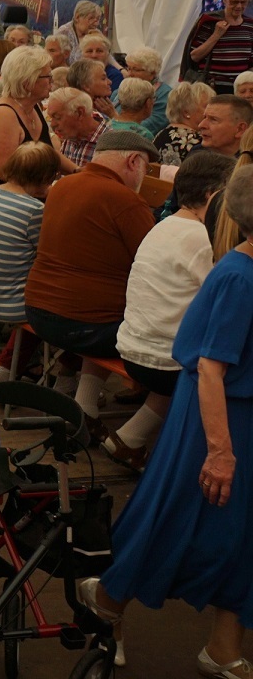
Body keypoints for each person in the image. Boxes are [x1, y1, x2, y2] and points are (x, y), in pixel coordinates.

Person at [77, 168, 253, 679]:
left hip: (232, 417)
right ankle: (108, 600)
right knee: (172, 516)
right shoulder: (238, 278)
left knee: (240, 532)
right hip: (215, 421)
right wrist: (220, 449)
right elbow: (211, 370)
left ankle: (223, 648)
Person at [106, 151, 240, 471]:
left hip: (133, 346)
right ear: (214, 195)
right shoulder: (201, 238)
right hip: (162, 361)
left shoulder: (166, 224)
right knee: (225, 360)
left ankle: (130, 438)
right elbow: (227, 297)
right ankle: (205, 455)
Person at [24, 131, 158, 426]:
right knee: (160, 335)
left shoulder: (61, 186)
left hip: (37, 315)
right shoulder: (126, 201)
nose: (144, 177)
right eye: (146, 169)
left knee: (98, 305)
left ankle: (78, 400)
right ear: (134, 161)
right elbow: (154, 264)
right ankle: (129, 429)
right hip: (87, 329)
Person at [0, 142, 61, 370]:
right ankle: (21, 370)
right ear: (45, 178)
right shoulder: (33, 211)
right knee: (61, 305)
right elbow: (48, 258)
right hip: (15, 307)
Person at [0, 46, 53, 186]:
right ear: (27, 82)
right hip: (3, 199)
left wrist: (76, 170)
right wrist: (44, 189)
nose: (51, 82)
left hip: (29, 192)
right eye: (48, 76)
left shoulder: (33, 107)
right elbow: (4, 172)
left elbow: (48, 152)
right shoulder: (4, 114)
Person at [188, 0, 253, 94]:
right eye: (233, 2)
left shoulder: (250, 26)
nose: (238, 6)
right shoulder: (209, 22)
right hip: (211, 88)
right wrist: (216, 35)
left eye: (243, 2)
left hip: (240, 90)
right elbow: (194, 56)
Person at [158, 80, 218, 166]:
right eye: (206, 106)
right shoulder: (199, 142)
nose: (211, 111)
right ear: (186, 112)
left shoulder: (160, 134)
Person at [47, 86, 105, 170]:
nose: (52, 124)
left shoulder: (109, 144)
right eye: (51, 118)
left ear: (79, 113)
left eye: (57, 117)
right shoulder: (71, 137)